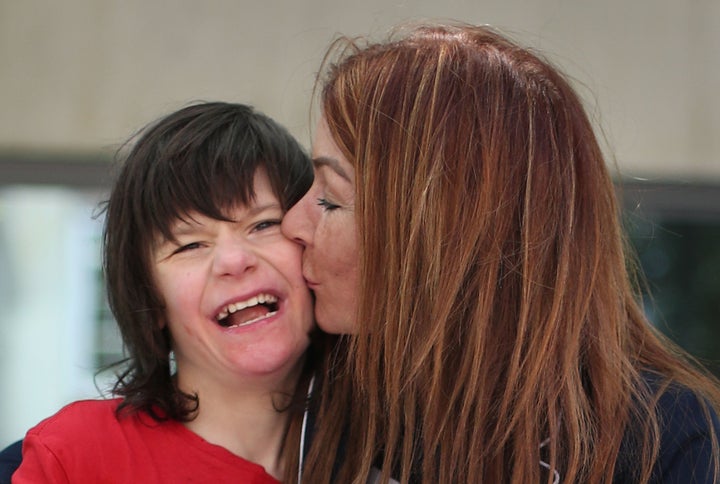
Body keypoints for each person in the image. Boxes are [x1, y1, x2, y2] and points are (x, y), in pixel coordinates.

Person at [281, 23, 720, 483]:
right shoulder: (315, 388)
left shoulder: (660, 440)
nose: (293, 224)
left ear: (446, 234)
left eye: (330, 199)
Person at [12, 101, 319, 483]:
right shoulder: (78, 457)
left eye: (264, 224)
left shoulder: (396, 458)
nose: (234, 259)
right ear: (151, 301)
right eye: (189, 245)